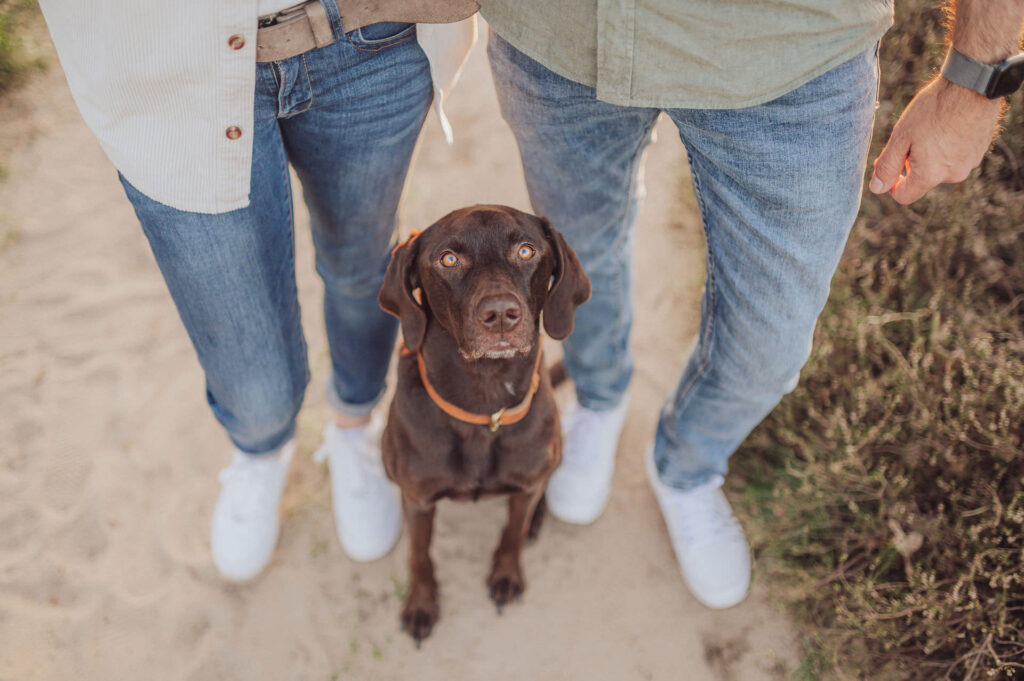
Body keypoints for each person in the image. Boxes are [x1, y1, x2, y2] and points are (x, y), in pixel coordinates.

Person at [479, 0, 1024, 608]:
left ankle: (685, 463)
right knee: (577, 261)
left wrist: (975, 79)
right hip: (559, 34)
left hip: (794, 49)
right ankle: (600, 396)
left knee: (772, 336)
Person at [37, 0, 477, 581]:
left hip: (370, 33)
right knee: (236, 324)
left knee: (361, 266)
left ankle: (354, 423)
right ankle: (261, 450)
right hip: (163, 67)